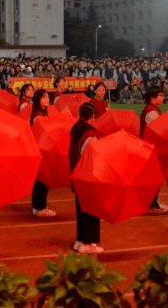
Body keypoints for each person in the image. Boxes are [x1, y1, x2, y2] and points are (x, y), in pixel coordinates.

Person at [68, 102, 103, 254]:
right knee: (90, 210)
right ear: (93, 115)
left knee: (81, 208)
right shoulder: (89, 133)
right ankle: (87, 242)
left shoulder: (76, 129)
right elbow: (90, 155)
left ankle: (80, 240)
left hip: (77, 174)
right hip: (88, 176)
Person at [140, 86, 166, 214]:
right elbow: (157, 131)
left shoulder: (152, 110)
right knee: (154, 177)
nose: (163, 98)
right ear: (153, 97)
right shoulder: (151, 112)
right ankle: (151, 203)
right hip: (151, 149)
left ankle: (152, 203)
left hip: (149, 148)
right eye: (160, 95)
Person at [30, 89, 56, 217]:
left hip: (42, 149)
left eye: (47, 97)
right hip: (42, 150)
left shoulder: (41, 113)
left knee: (40, 179)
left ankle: (38, 207)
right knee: (42, 179)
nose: (47, 99)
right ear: (38, 99)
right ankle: (40, 208)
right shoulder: (38, 116)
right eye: (44, 97)